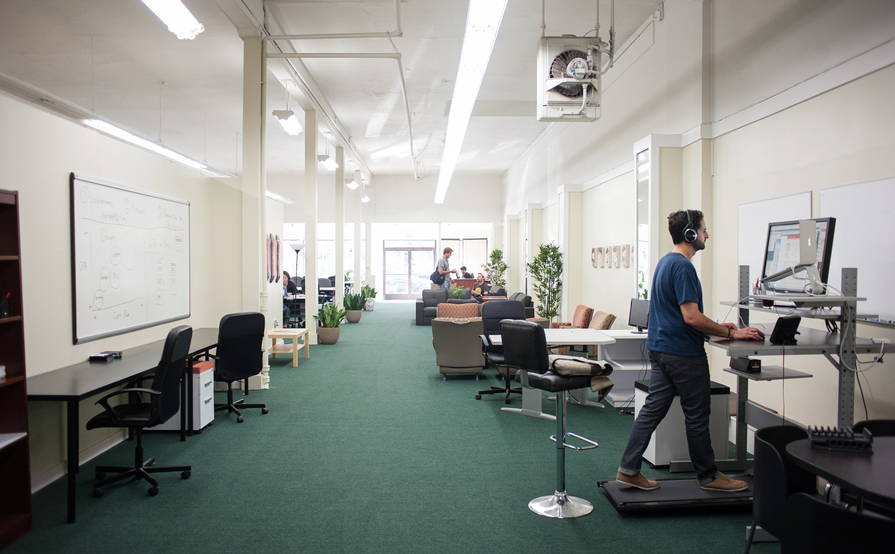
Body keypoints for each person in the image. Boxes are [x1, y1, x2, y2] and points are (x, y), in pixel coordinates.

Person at [616, 209, 765, 493]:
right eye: (703, 229)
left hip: (661, 351)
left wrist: (720, 326)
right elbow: (691, 317)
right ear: (690, 234)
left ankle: (628, 469)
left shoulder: (664, 262)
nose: (707, 234)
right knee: (697, 416)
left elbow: (678, 312)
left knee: (651, 411)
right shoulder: (684, 267)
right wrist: (732, 333)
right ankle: (709, 476)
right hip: (683, 354)